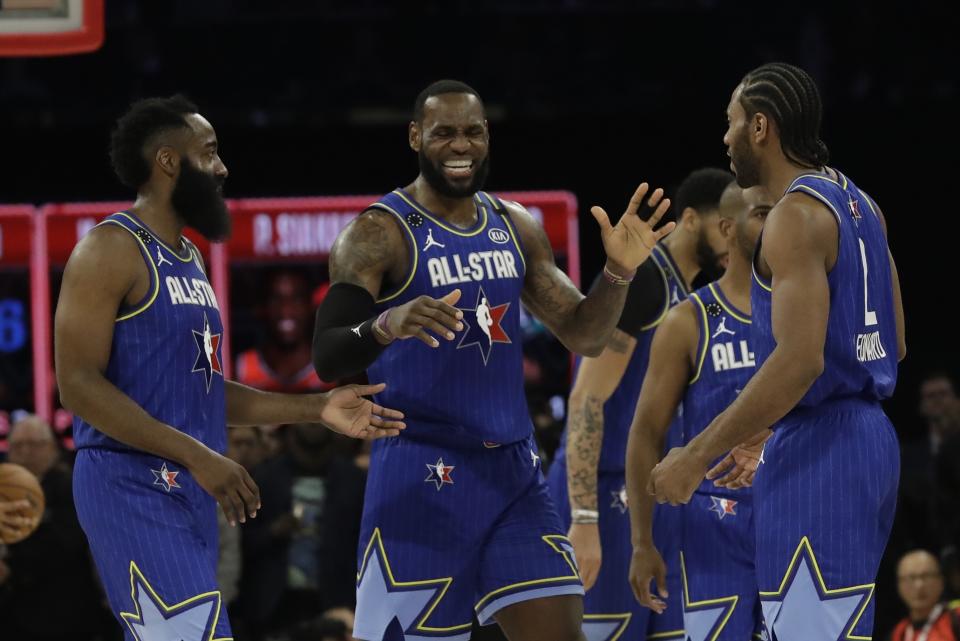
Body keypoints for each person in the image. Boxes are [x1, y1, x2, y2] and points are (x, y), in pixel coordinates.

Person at [311, 79, 674, 641]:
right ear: (415, 137)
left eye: (473, 132)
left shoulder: (514, 225)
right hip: (420, 471)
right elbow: (329, 353)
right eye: (444, 133)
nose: (461, 146)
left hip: (513, 476)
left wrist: (620, 271)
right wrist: (387, 322)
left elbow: (585, 334)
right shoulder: (377, 234)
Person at [54, 95, 405, 641]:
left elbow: (204, 392)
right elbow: (76, 385)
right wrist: (201, 455)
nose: (223, 167)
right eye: (210, 152)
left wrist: (317, 407)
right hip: (128, 479)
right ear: (169, 161)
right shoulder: (109, 248)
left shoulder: (189, 259)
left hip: (190, 482)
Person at [647, 62, 906, 640]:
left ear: (760, 127)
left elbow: (799, 360)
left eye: (732, 122)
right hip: (869, 442)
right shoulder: (863, 205)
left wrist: (694, 456)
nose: (726, 137)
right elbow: (896, 341)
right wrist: (765, 426)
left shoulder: (792, 216)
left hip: (822, 451)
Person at [544, 167, 732, 640]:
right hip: (603, 495)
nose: (735, 235)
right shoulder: (644, 280)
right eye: (722, 224)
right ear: (690, 219)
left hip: (654, 500)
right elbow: (587, 398)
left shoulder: (692, 297)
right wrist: (583, 519)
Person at [626, 183, 772, 640]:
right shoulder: (689, 320)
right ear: (728, 228)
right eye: (762, 213)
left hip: (792, 507)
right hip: (714, 526)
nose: (776, 224)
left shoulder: (803, 306)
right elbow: (646, 433)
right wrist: (642, 541)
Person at [0, 415, 113, 641]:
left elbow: (67, 541)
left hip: (61, 612)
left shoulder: (71, 485)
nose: (25, 451)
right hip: (10, 615)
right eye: (18, 445)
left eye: (34, 444)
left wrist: (10, 564)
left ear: (52, 448)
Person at [236, 270, 335, 393]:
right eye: (276, 299)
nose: (286, 310)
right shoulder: (241, 368)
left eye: (297, 299)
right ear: (261, 308)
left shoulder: (335, 367)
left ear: (311, 306)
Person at [890, 550, 960, 641]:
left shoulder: (956, 618)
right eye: (911, 577)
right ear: (899, 585)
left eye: (926, 576)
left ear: (941, 582)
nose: (919, 585)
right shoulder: (900, 632)